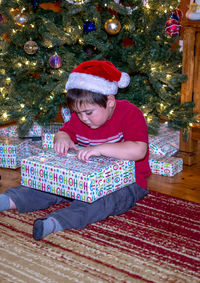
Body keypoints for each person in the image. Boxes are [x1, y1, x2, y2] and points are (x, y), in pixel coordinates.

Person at [0, 60, 151, 241]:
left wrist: (100, 149)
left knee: (102, 202)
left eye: (88, 112)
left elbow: (139, 151)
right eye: (78, 113)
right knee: (46, 184)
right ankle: (7, 200)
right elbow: (65, 131)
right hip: (81, 180)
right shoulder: (79, 117)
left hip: (127, 183)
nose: (83, 118)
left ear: (110, 101)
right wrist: (62, 138)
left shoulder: (130, 113)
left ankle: (57, 222)